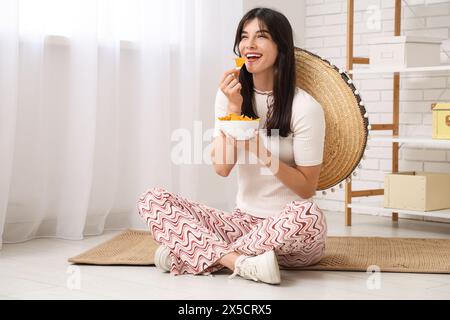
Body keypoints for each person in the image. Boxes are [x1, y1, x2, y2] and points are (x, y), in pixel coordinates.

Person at [137, 7, 327, 285]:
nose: (249, 44)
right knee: (152, 199)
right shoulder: (230, 96)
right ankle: (237, 262)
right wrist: (234, 111)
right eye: (244, 36)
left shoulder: (305, 107)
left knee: (309, 214)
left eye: (261, 36)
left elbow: (307, 188)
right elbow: (222, 167)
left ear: (281, 48)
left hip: (292, 231)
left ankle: (191, 254)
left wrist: (259, 149)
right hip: (243, 224)